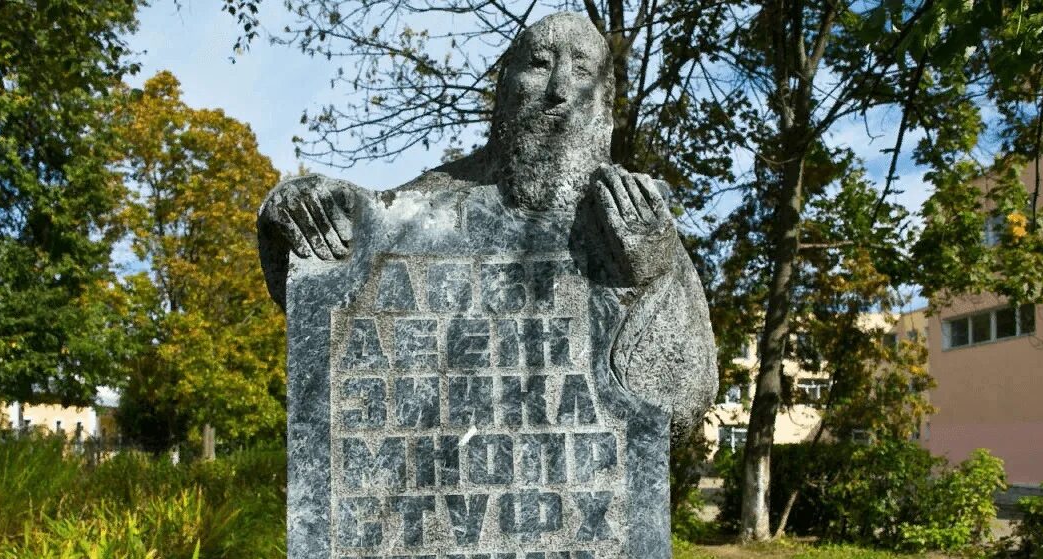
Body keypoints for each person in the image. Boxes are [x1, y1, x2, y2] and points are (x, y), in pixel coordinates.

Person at [258, 11, 716, 445]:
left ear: (604, 104)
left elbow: (678, 410)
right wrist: (293, 210)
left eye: (581, 72)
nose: (558, 89)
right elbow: (334, 284)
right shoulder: (438, 199)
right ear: (504, 90)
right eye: (539, 64)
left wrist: (653, 275)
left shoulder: (635, 221)